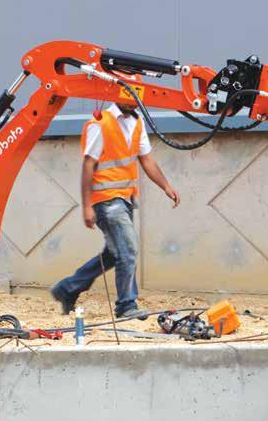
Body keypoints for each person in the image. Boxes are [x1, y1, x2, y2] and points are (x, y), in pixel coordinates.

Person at [51, 102, 180, 319]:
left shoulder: (136, 122)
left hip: (126, 198)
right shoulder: (100, 124)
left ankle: (68, 288)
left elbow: (146, 160)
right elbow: (88, 165)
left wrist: (166, 186)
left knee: (114, 254)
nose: (134, 98)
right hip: (106, 201)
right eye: (129, 91)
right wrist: (87, 206)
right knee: (128, 251)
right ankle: (126, 305)